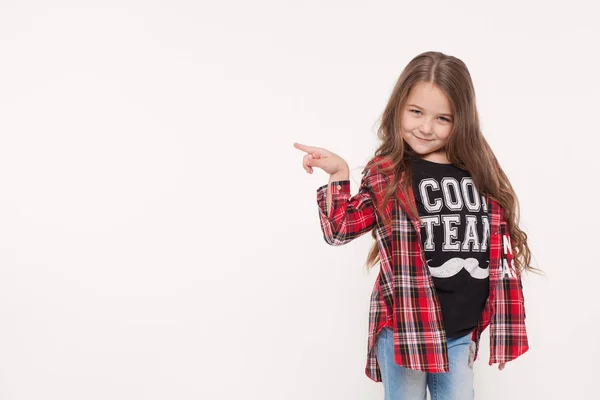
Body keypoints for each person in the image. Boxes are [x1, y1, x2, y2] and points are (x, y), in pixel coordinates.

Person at [294, 51, 541, 400]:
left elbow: (496, 250)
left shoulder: (478, 172)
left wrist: (502, 322)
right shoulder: (388, 174)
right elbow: (340, 229)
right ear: (398, 108)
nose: (426, 128)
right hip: (405, 326)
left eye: (443, 118)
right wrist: (339, 175)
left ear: (463, 121)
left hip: (459, 332)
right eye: (416, 112)